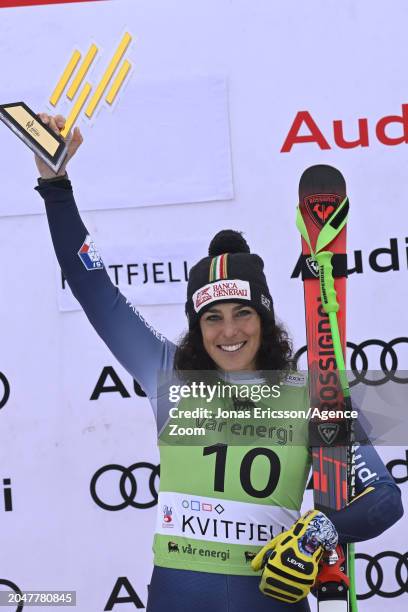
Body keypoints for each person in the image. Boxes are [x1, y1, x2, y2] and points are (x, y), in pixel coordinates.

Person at [34, 114, 403, 611]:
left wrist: (322, 528)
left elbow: (384, 498)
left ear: (265, 318)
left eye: (243, 313)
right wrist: (55, 184)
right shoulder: (170, 375)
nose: (229, 331)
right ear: (197, 325)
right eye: (213, 318)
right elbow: (92, 287)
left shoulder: (311, 394)